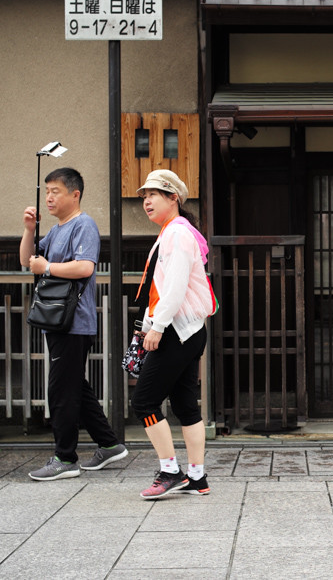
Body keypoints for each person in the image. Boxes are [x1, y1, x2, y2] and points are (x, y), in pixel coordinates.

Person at [20, 167, 127, 480]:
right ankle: (109, 445)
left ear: (75, 194)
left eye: (55, 191)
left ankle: (65, 459)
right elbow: (28, 260)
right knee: (74, 387)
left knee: (62, 392)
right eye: (47, 190)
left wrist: (48, 267)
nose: (49, 197)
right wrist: (29, 229)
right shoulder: (57, 229)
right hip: (58, 320)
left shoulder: (84, 224)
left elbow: (84, 267)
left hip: (72, 321)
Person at [132, 169, 217, 499]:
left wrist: (156, 326)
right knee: (184, 403)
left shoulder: (177, 234)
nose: (147, 201)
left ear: (174, 198)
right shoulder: (175, 231)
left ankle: (171, 471)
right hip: (187, 330)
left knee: (144, 401)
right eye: (144, 196)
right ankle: (197, 476)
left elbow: (175, 287)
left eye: (153, 195)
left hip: (176, 331)